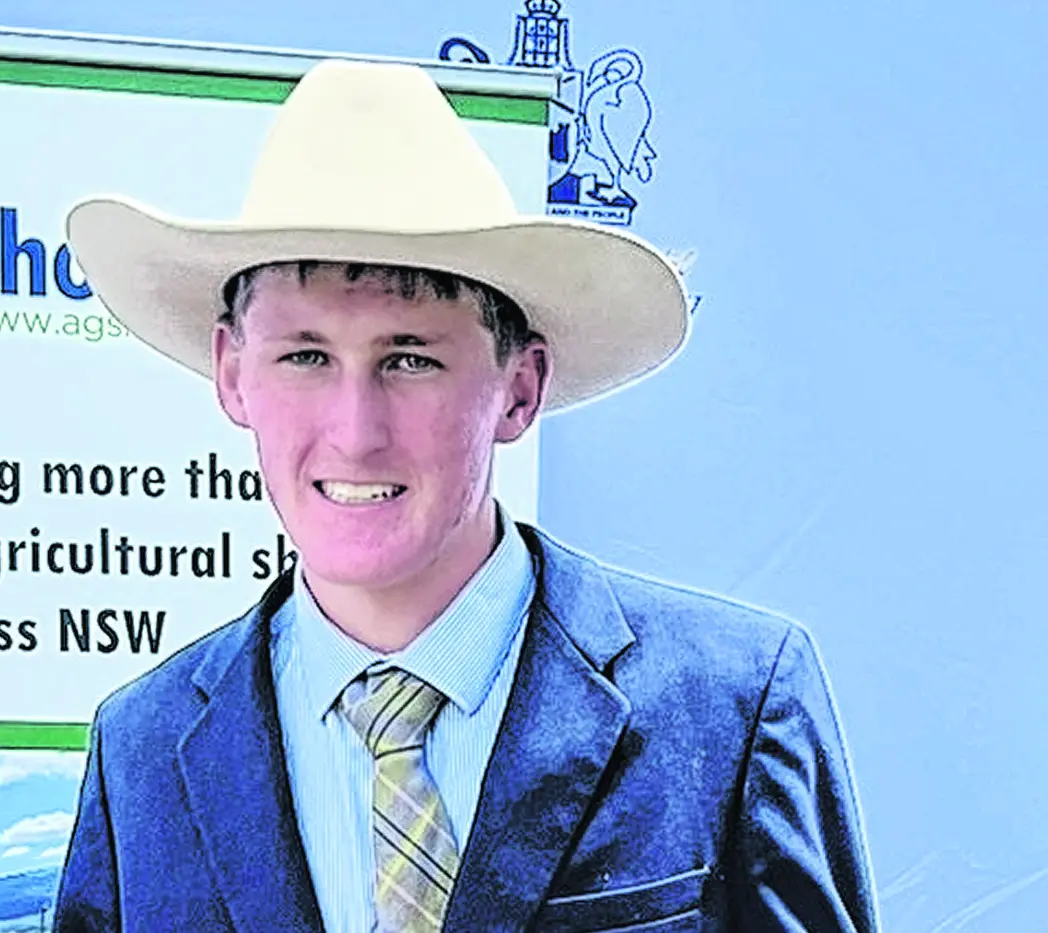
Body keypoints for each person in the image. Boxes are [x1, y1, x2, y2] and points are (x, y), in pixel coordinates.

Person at [53, 59, 878, 933]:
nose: (355, 429)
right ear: (233, 374)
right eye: (304, 355)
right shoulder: (139, 754)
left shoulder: (730, 708)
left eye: (411, 358)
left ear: (519, 389)